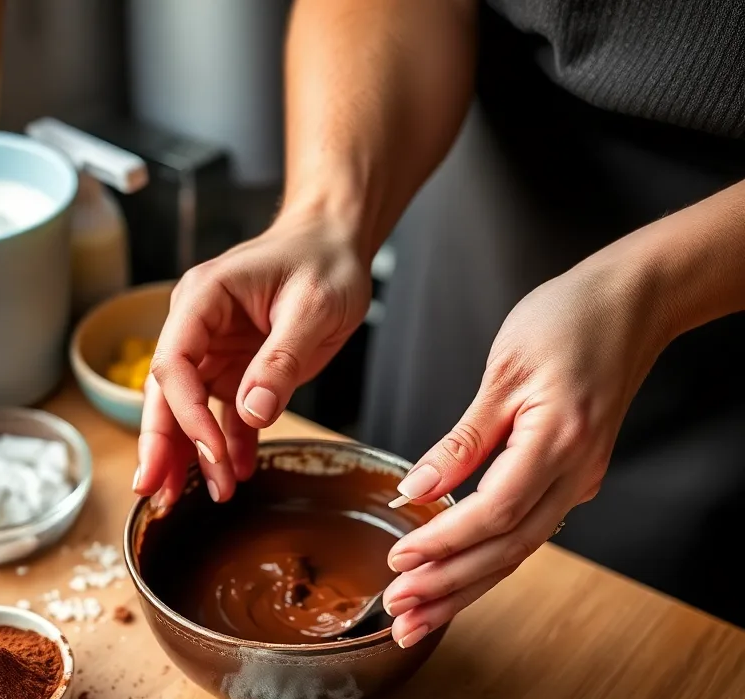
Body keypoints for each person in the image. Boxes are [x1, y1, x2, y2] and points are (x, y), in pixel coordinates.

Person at [134, 0, 745, 636]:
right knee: (421, 497)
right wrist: (325, 217)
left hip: (726, 307)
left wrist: (645, 294)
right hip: (486, 193)